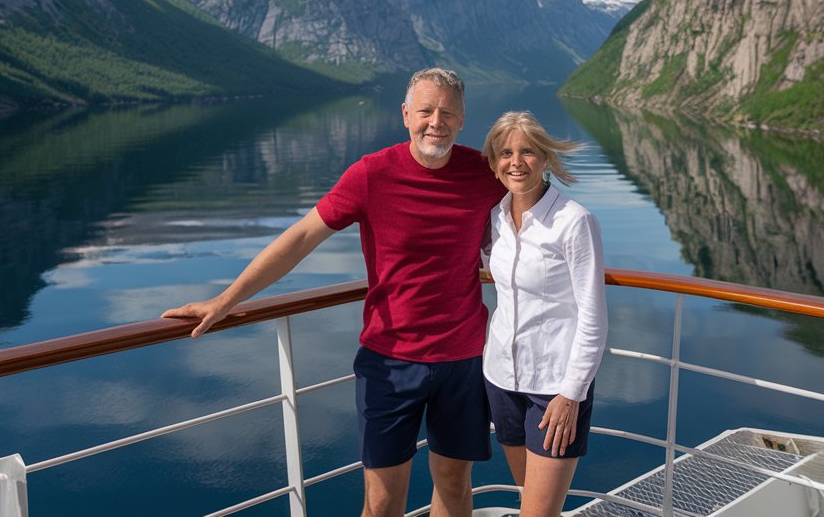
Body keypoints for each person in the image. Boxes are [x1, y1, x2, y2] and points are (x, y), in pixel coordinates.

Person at [162, 68, 506, 517]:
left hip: (464, 358)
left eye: (447, 113)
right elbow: (301, 238)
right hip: (390, 360)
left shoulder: (483, 174)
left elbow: (537, 221)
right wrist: (227, 300)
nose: (435, 122)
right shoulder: (372, 174)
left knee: (456, 487)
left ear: (463, 120)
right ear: (405, 115)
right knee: (382, 502)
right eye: (425, 111)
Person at [480, 111, 608, 517]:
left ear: (546, 159)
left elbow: (593, 315)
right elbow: (488, 267)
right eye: (506, 153)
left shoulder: (574, 222)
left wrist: (572, 393)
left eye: (527, 152)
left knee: (539, 514)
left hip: (554, 387)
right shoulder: (496, 219)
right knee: (526, 502)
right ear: (494, 162)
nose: (516, 162)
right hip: (501, 379)